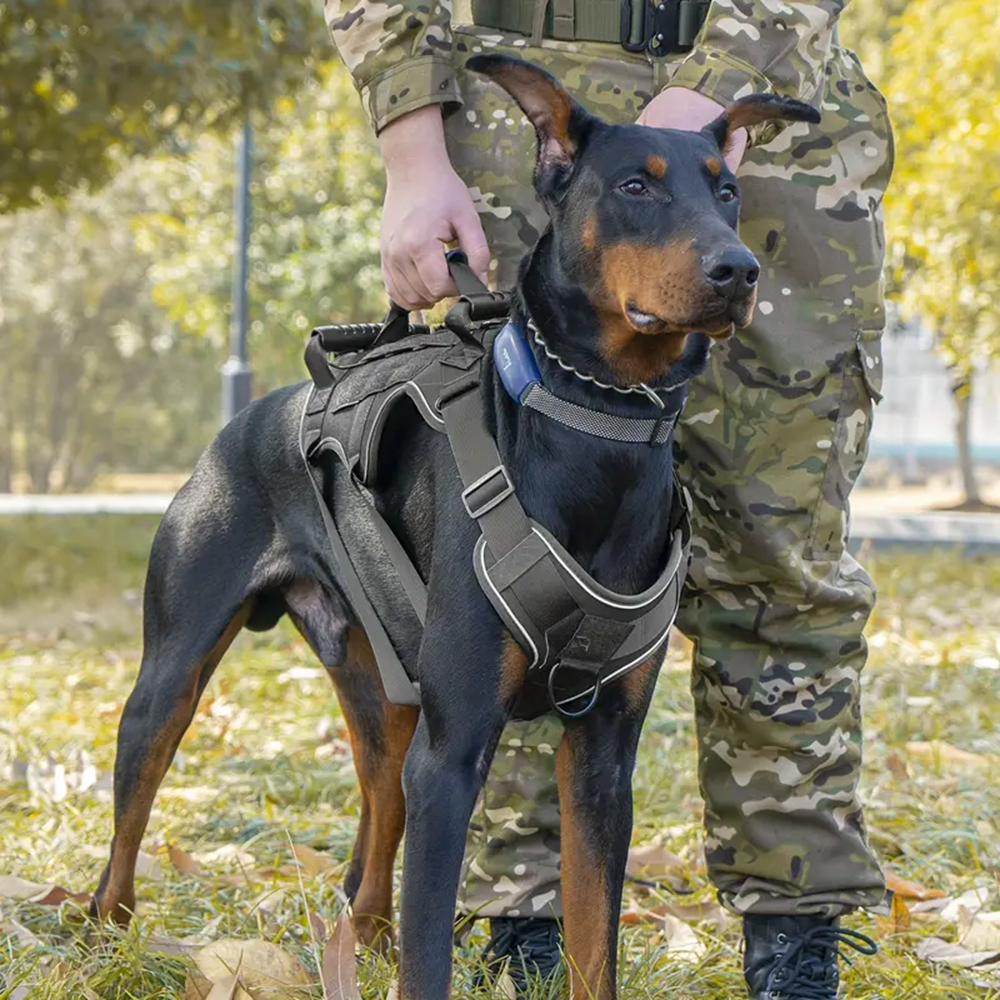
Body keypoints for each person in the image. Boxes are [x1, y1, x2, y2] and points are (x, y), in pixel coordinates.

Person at [323, 0, 894, 995]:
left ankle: (793, 933)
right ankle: (522, 918)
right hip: (527, 129)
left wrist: (710, 90)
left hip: (768, 126)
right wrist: (412, 144)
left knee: (782, 558)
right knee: (502, 559)